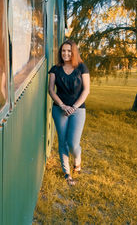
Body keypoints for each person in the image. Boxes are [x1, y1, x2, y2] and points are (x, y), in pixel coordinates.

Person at [48, 40, 90, 185]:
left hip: (78, 109)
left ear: (74, 52)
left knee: (73, 143)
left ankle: (77, 159)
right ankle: (67, 173)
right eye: (63, 51)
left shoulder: (82, 68)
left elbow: (86, 90)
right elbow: (51, 90)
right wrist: (62, 105)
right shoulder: (55, 69)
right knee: (63, 142)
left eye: (69, 51)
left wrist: (74, 107)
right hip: (59, 109)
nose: (65, 53)